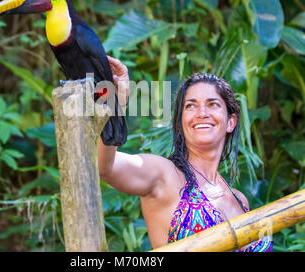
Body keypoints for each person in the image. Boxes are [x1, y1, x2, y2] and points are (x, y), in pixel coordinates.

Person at [97, 56, 273, 252]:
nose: (201, 113)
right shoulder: (165, 176)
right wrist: (116, 101)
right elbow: (105, 166)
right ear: (181, 123)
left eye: (213, 104)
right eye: (190, 105)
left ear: (230, 122)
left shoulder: (240, 199)